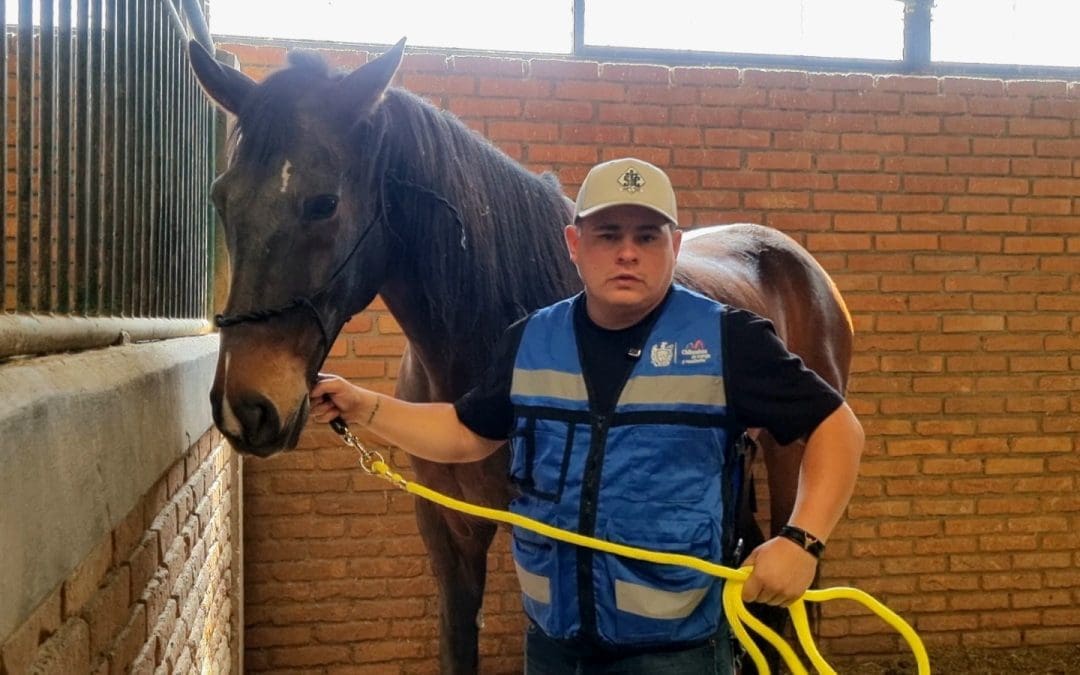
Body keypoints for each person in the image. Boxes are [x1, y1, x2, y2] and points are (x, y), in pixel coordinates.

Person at [311, 157, 864, 674]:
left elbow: (837, 428)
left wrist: (803, 540)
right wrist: (366, 406)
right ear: (575, 244)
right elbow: (466, 434)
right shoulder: (531, 341)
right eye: (608, 235)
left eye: (647, 237)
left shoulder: (728, 339)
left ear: (673, 245)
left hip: (675, 648)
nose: (628, 253)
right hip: (557, 643)